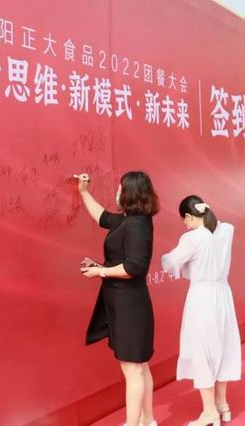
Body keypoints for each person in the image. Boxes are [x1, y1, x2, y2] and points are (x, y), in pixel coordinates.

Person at [77, 171, 159, 426]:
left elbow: (134, 267)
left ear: (130, 193)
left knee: (132, 368)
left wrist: (101, 271)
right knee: (139, 366)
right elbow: (102, 217)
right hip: (123, 302)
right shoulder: (129, 220)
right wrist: (83, 192)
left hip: (129, 305)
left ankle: (133, 423)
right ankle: (148, 421)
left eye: (120, 188)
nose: (117, 192)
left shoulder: (137, 225)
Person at [161, 195, 241, 426]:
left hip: (202, 297)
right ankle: (222, 404)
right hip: (223, 294)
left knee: (202, 349)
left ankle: (209, 412)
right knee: (223, 347)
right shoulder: (225, 231)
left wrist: (170, 259)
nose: (185, 224)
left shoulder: (193, 238)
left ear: (188, 216)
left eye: (184, 220)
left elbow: (171, 262)